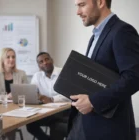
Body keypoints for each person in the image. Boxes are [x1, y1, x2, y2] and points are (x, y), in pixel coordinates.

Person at [67, 0, 139, 140]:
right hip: (84, 122)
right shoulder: (95, 36)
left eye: (82, 5)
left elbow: (134, 77)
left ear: (100, 2)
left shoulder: (122, 31)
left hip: (108, 127)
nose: (77, 12)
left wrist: (93, 101)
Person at [26, 52, 70, 140]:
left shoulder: (63, 72)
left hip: (64, 111)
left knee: (56, 126)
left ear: (52, 60)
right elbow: (32, 92)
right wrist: (36, 96)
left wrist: (51, 99)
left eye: (46, 59)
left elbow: (68, 94)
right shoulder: (37, 76)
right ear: (39, 65)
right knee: (30, 124)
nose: (45, 63)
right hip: (46, 112)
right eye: (41, 62)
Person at [0, 47, 28, 140]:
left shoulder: (21, 74)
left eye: (13, 57)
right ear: (2, 59)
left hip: (16, 109)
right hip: (0, 109)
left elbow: (27, 91)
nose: (11, 59)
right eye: (8, 57)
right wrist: (6, 97)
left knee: (10, 127)